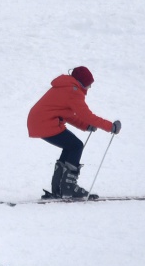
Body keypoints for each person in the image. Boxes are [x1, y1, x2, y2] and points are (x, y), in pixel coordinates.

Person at [26, 66, 119, 199]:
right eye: (89, 84)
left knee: (70, 146)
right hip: (45, 123)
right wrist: (111, 127)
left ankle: (59, 188)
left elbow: (68, 115)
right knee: (76, 146)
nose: (90, 88)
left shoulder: (65, 87)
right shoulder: (73, 91)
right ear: (82, 82)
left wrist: (86, 126)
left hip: (39, 122)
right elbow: (87, 115)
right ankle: (68, 187)